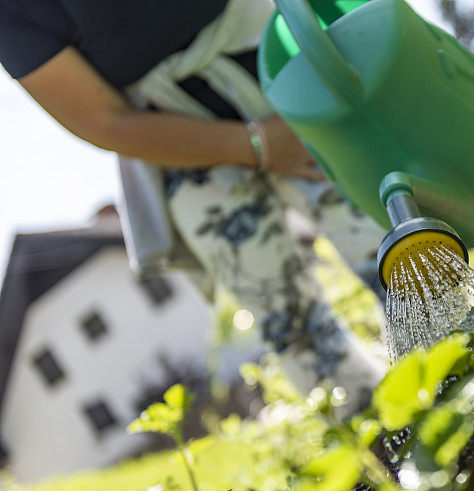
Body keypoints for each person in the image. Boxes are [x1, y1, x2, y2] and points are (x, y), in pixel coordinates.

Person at [0, 0, 388, 405]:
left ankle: (455, 373)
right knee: (288, 320)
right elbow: (104, 121)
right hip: (181, 143)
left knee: (386, 242)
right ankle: (376, 432)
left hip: (280, 70)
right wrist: (257, 145)